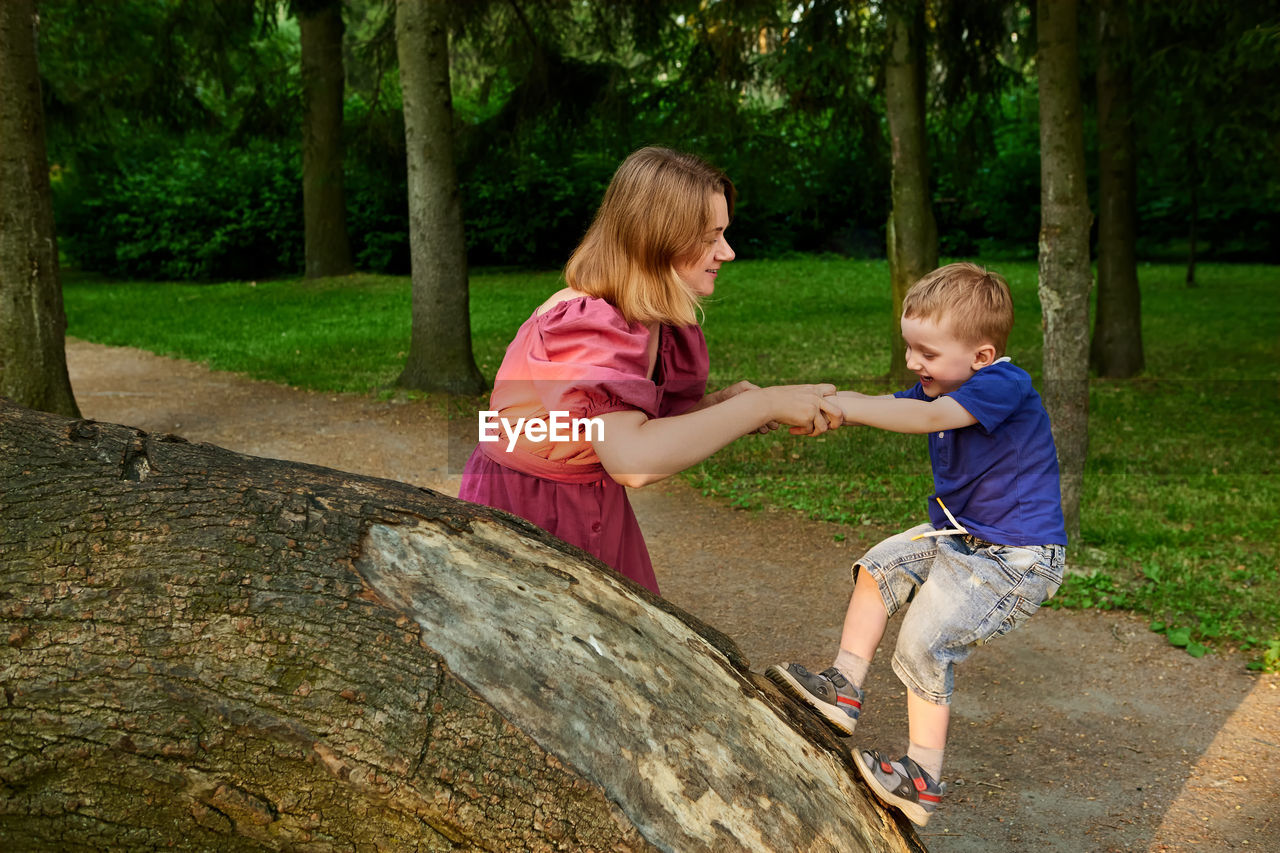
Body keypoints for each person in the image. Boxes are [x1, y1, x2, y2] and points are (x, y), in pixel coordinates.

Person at [458, 146, 841, 595]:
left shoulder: (648, 318)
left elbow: (628, 428)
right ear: (656, 238)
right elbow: (633, 461)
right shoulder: (592, 323)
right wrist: (761, 405)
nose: (728, 252)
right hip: (530, 508)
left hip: (589, 499)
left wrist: (723, 405)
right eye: (710, 236)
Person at [766, 262, 1066, 827]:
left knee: (924, 643)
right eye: (909, 348)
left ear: (980, 355)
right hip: (961, 538)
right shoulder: (943, 384)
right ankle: (842, 688)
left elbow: (924, 417)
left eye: (926, 353)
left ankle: (921, 778)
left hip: (1014, 560)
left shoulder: (1003, 384)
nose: (912, 363)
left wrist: (848, 407)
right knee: (879, 567)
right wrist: (822, 404)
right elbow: (893, 402)